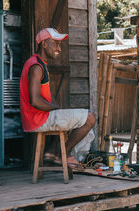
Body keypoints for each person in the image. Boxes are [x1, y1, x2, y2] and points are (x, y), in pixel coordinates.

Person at [20, 28, 96, 167]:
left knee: (73, 118)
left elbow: (47, 98)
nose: (59, 49)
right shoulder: (36, 66)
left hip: (39, 117)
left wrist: (58, 109)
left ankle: (51, 152)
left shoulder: (39, 63)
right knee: (90, 117)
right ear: (44, 44)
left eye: (59, 45)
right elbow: (35, 101)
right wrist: (56, 109)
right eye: (55, 44)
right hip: (37, 119)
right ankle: (61, 155)